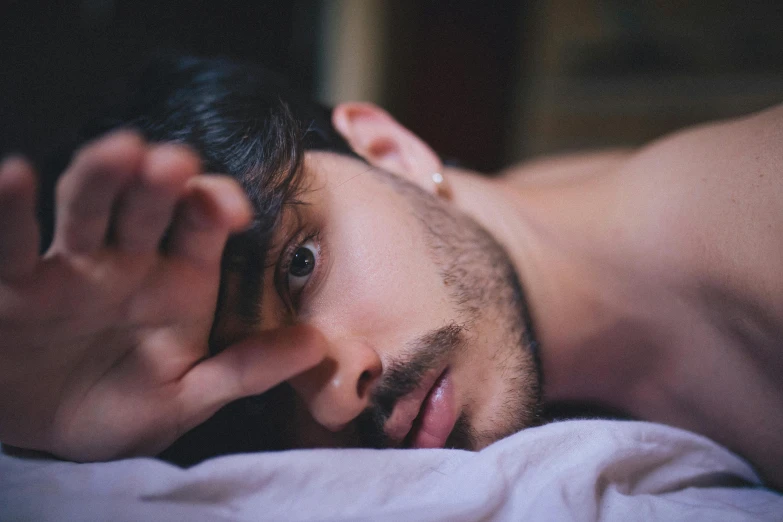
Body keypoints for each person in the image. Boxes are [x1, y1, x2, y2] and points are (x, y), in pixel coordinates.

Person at [0, 56, 780, 490]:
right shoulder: (536, 237)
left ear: (388, 148)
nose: (340, 394)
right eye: (264, 391)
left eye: (299, 269)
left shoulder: (749, 220)